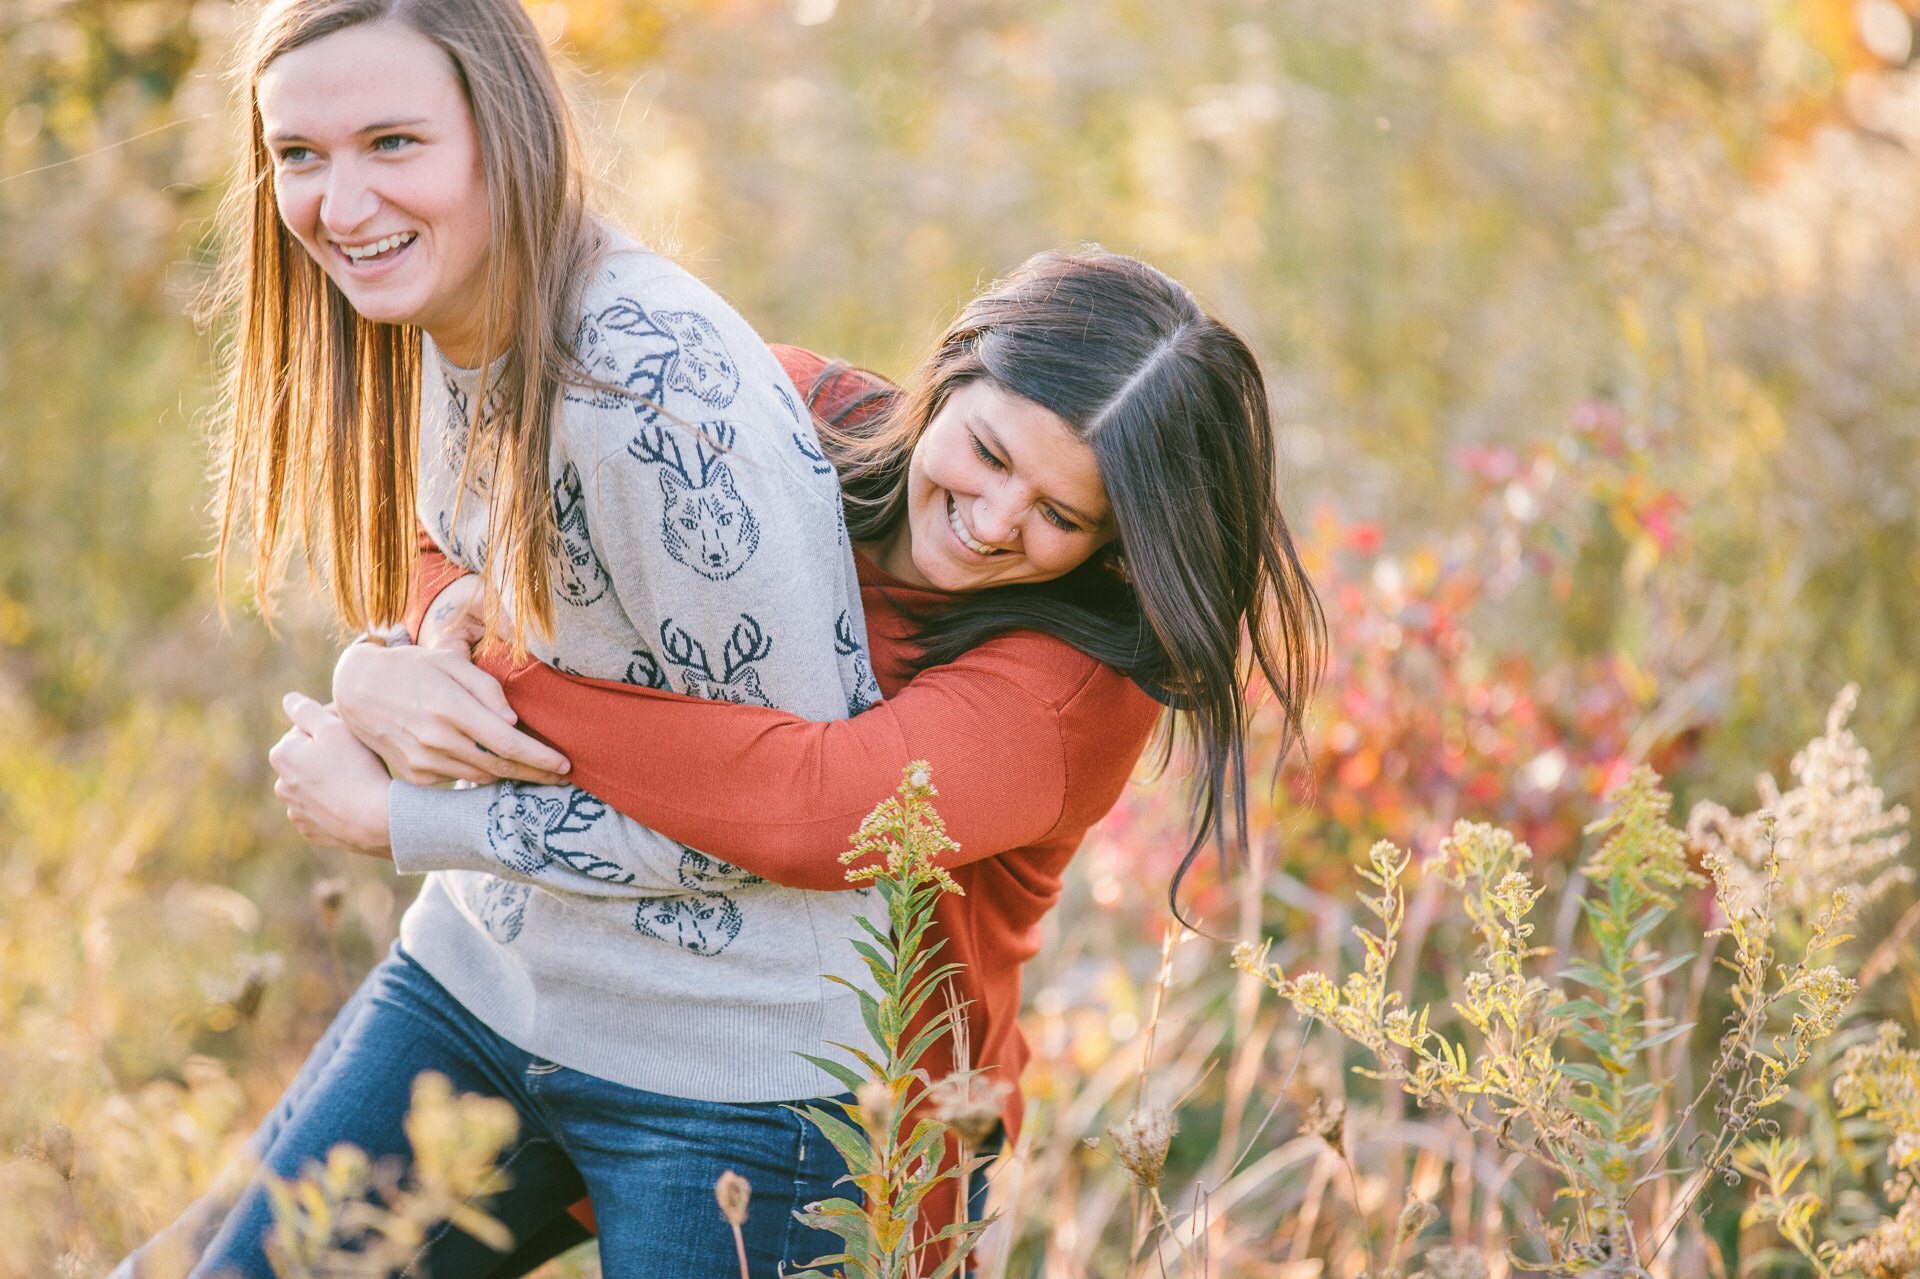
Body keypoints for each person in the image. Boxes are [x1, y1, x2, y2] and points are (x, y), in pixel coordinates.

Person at [312, 250, 1328, 1267]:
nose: (994, 520)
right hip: (544, 984)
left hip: (824, 1105)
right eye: (988, 453)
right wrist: (431, 616)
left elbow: (813, 806)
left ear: (1115, 544)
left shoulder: (1073, 688)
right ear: (956, 367)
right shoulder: (784, 415)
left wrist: (489, 688)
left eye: (1060, 516)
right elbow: (466, 496)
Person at [115, 0, 883, 1273]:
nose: (339, 206)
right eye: (299, 155)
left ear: (503, 133)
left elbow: (789, 831)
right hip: (485, 979)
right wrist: (391, 658)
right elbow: (538, 624)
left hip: (737, 1066)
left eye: (393, 143)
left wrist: (401, 818)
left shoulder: (648, 390)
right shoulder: (432, 321)